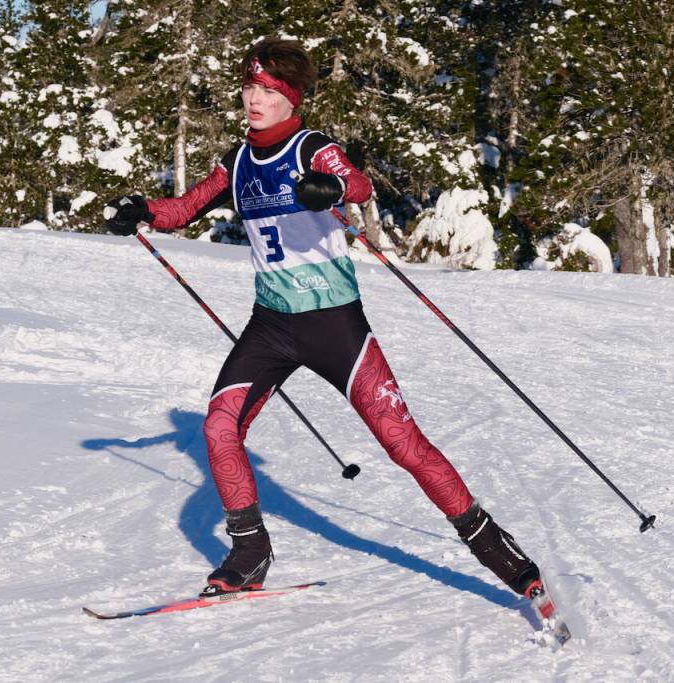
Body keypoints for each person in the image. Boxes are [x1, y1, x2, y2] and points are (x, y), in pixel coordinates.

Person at [103, 37, 544, 600]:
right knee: (217, 428)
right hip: (271, 326)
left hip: (336, 327)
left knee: (402, 443)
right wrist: (141, 210)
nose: (254, 99)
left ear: (290, 97)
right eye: (248, 87)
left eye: (267, 89)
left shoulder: (313, 147)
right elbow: (183, 209)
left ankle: (503, 556)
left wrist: (331, 187)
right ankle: (249, 552)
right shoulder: (236, 162)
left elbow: (356, 184)